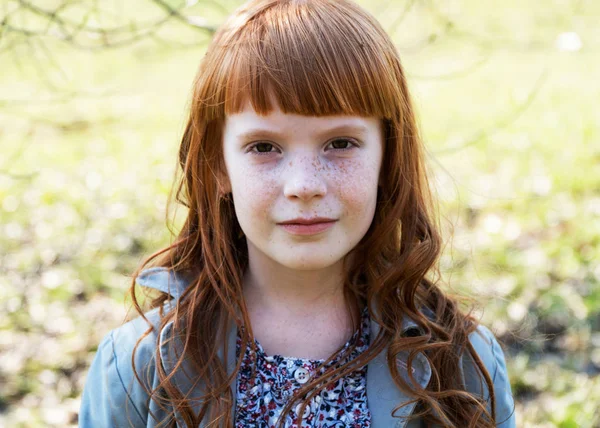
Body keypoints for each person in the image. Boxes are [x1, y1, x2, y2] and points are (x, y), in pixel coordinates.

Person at [79, 0, 516, 427]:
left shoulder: (460, 363)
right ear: (218, 165)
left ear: (388, 156)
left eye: (340, 143)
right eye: (264, 147)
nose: (304, 185)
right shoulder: (142, 365)